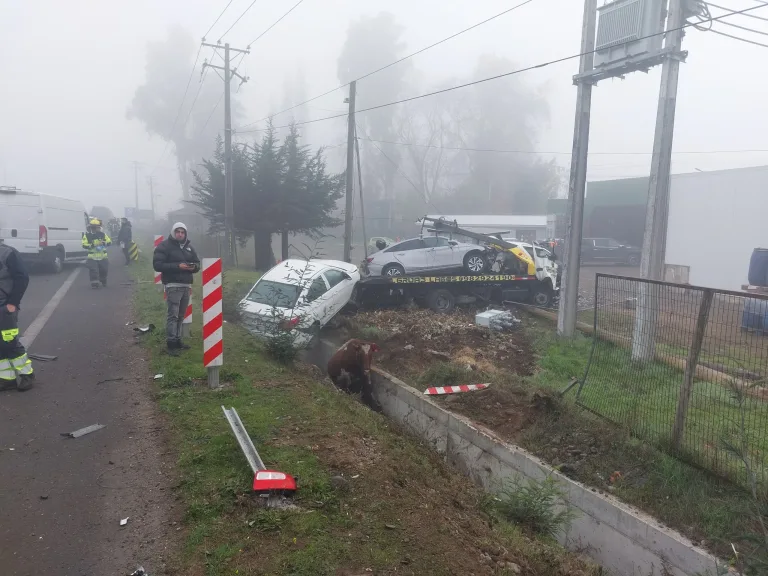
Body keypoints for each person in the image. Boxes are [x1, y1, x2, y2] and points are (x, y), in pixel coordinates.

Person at [153, 222, 200, 355]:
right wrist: (177, 266)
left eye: (182, 232)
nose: (180, 234)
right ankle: (171, 343)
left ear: (185, 233)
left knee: (181, 316)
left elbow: (197, 263)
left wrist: (193, 267)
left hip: (186, 285)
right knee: (172, 315)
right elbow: (157, 265)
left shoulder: (189, 247)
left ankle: (178, 340)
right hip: (173, 285)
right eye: (178, 231)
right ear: (173, 232)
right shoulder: (164, 246)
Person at [0, 239, 35, 391]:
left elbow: (22, 277)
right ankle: (7, 378)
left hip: (5, 306)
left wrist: (13, 303)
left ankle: (27, 375)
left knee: (10, 342)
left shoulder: (8, 253)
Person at [82, 218, 112, 288]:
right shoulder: (87, 235)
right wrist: (93, 245)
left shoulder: (103, 235)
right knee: (93, 270)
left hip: (103, 256)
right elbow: (84, 245)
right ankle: (94, 283)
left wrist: (104, 243)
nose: (95, 229)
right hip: (92, 257)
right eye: (94, 227)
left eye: (97, 227)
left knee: (104, 270)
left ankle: (103, 280)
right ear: (90, 227)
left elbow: (109, 242)